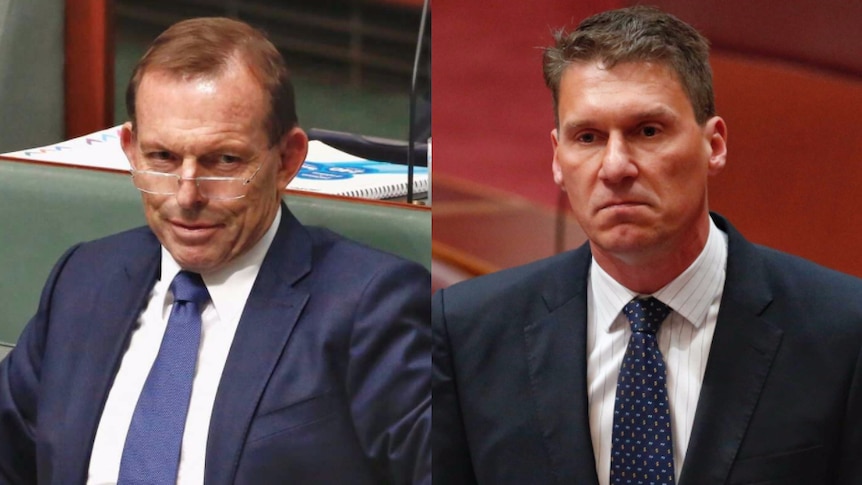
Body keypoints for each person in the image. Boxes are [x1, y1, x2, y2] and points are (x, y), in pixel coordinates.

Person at [432, 6, 862, 485]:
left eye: (648, 131)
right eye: (588, 137)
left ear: (713, 145)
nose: (615, 167)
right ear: (558, 158)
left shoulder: (843, 333)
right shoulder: (469, 333)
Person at [0, 17, 430, 484]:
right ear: (129, 148)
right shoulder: (84, 280)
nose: (186, 196)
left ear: (287, 159)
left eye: (223, 161)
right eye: (162, 158)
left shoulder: (369, 309)